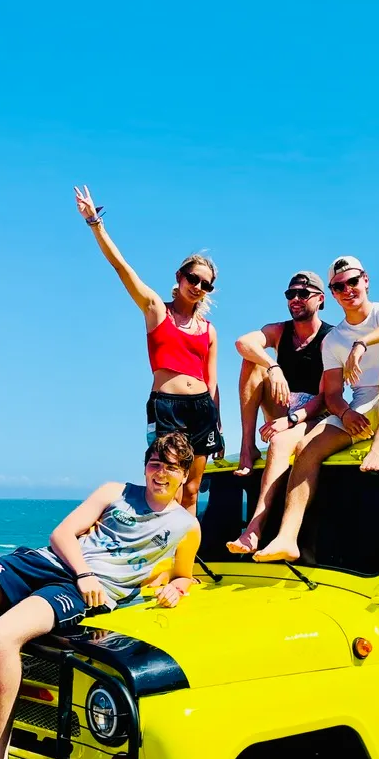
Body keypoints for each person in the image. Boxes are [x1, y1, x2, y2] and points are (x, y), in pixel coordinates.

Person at [0, 432, 201, 759]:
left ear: (184, 475)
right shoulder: (116, 491)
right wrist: (84, 571)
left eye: (171, 468)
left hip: (83, 591)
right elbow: (61, 534)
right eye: (155, 465)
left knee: (1, 636)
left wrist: (178, 588)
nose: (160, 474)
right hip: (55, 564)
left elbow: (185, 575)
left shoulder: (185, 526)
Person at [254, 256, 379, 563]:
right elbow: (333, 395)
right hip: (365, 406)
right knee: (309, 449)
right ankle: (287, 538)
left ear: (366, 280)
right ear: (332, 295)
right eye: (339, 286)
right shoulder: (333, 340)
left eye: (353, 281)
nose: (348, 289)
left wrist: (362, 343)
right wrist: (346, 414)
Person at [74, 185, 221, 514]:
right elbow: (121, 267)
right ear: (180, 277)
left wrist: (216, 423)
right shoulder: (157, 309)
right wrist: (95, 224)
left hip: (202, 411)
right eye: (193, 279)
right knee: (166, 484)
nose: (197, 287)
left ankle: (185, 561)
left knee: (193, 488)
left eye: (205, 284)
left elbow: (212, 382)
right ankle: (159, 555)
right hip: (167, 407)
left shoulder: (209, 330)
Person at [227, 271, 333, 554]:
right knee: (252, 363)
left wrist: (292, 419)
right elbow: (243, 343)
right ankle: (247, 446)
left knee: (280, 442)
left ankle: (254, 529)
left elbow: (326, 398)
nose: (295, 299)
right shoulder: (280, 331)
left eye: (303, 294)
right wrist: (273, 367)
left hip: (312, 414)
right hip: (283, 403)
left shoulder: (330, 338)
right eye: (290, 294)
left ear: (320, 300)